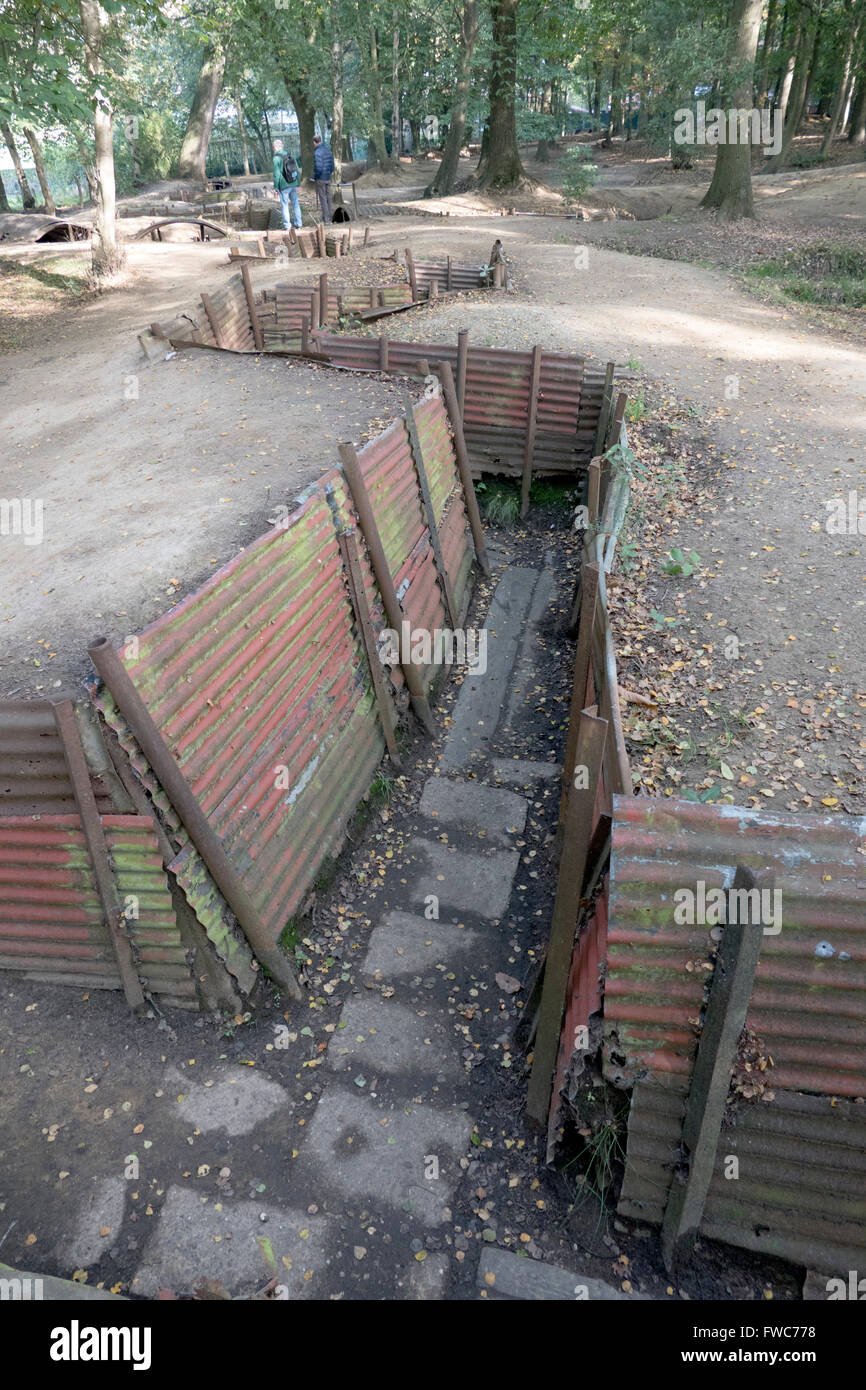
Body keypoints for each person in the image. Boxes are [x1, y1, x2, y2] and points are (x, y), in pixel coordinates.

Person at [272, 138, 302, 230]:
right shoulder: (290, 155)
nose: (273, 149)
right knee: (295, 204)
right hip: (293, 183)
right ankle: (299, 224)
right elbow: (296, 169)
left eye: (273, 147)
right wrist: (298, 184)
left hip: (284, 186)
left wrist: (276, 187)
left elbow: (276, 174)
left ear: (275, 147)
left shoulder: (276, 158)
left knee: (285, 205)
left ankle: (287, 226)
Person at [312, 133, 335, 223]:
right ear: (320, 140)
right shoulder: (328, 150)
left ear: (315, 142)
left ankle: (326, 219)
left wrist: (316, 176)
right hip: (328, 178)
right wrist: (328, 173)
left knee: (323, 199)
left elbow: (318, 167)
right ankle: (331, 217)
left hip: (321, 178)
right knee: (328, 197)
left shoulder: (317, 152)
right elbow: (332, 166)